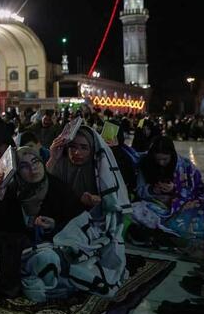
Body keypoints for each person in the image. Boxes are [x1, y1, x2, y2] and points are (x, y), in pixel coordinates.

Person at [23, 126, 131, 301]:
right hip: (58, 223)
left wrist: (99, 203)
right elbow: (42, 188)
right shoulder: (60, 164)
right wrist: (53, 158)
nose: (76, 153)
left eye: (83, 147)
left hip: (90, 226)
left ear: (92, 149)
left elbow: (113, 207)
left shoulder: (99, 169)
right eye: (72, 147)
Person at [132, 135, 204, 240]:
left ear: (172, 155)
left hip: (181, 205)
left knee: (197, 210)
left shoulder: (185, 166)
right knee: (135, 210)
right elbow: (140, 190)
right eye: (158, 159)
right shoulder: (146, 164)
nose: (161, 163)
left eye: (165, 159)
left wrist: (175, 189)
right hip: (156, 204)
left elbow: (196, 190)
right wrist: (152, 190)